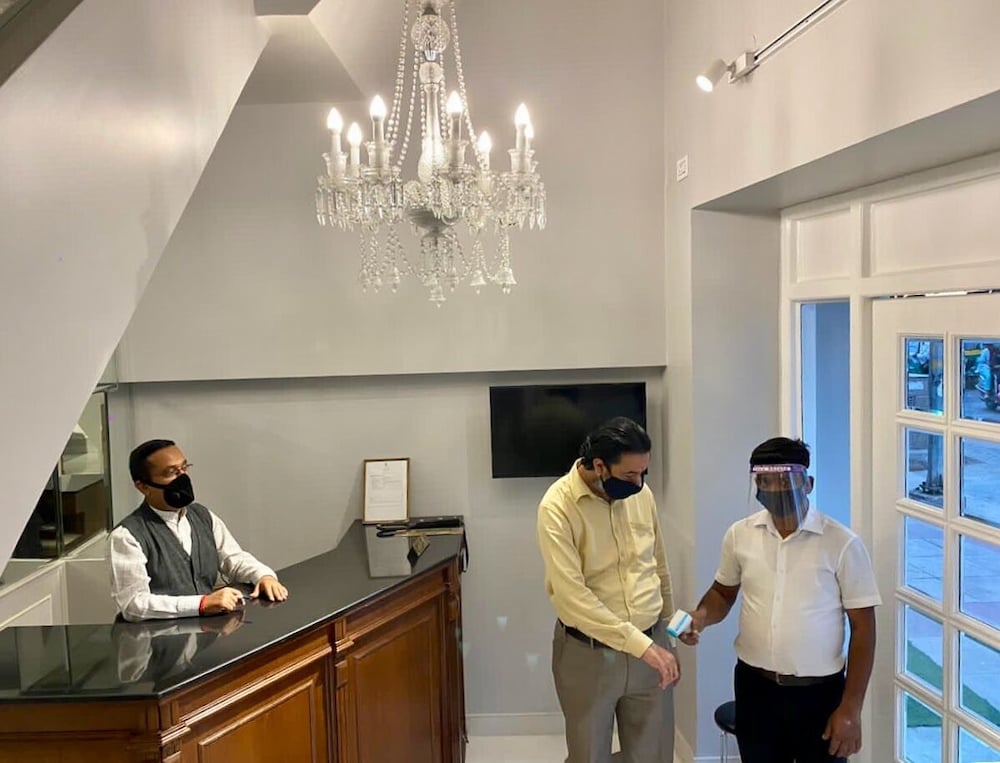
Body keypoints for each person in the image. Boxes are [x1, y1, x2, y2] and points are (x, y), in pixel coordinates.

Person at [680, 437, 880, 763]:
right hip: (755, 688)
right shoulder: (740, 535)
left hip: (819, 693)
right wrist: (701, 616)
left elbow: (863, 628)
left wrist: (851, 707)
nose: (775, 489)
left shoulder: (842, 544)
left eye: (785, 480)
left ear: (808, 484)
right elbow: (722, 593)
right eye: (765, 481)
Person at [537, 417, 678, 763]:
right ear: (599, 466)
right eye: (630, 475)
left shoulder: (642, 495)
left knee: (653, 754)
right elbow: (572, 599)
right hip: (588, 654)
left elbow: (658, 565)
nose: (639, 483)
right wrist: (642, 646)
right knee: (589, 754)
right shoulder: (557, 507)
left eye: (644, 472)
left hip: (651, 644)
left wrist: (669, 634)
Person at [110, 439, 288, 622]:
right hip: (158, 637)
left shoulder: (202, 515)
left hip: (207, 633)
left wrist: (263, 576)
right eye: (171, 472)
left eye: (184, 468)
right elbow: (133, 605)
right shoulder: (126, 536)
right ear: (143, 486)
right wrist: (201, 604)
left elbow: (234, 558)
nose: (182, 478)